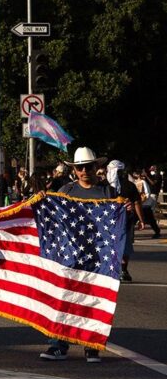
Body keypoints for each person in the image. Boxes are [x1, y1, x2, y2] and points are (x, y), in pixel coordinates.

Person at [40, 147, 128, 363]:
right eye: (80, 167)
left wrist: (124, 209)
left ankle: (91, 346)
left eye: (88, 166)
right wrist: (42, 202)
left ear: (96, 167)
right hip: (70, 258)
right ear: (75, 170)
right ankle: (58, 346)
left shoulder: (108, 193)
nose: (84, 171)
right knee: (64, 299)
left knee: (93, 300)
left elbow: (118, 225)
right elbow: (52, 220)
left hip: (98, 259)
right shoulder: (65, 191)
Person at [106, 161, 145, 282]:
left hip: (108, 222)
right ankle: (123, 270)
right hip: (125, 221)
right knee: (125, 246)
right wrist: (141, 220)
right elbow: (137, 203)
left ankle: (111, 270)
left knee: (110, 245)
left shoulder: (104, 186)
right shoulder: (130, 185)